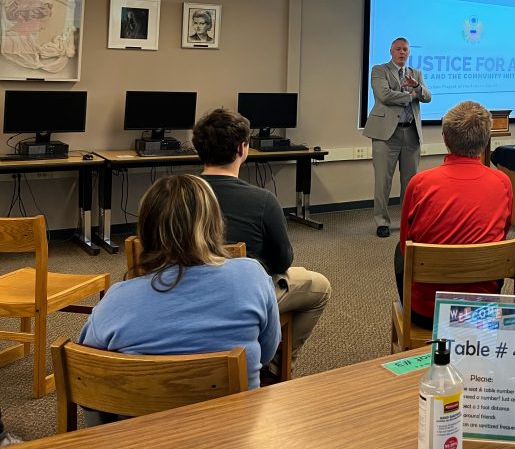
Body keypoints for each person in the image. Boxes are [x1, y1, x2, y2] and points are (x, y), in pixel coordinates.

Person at [79, 175, 279, 392]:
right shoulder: (252, 275)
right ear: (215, 224)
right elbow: (267, 352)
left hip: (144, 424)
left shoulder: (115, 301)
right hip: (240, 421)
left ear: (145, 229)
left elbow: (86, 373)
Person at [193, 108, 331, 376]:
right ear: (243, 149)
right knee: (320, 287)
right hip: (243, 297)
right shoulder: (262, 200)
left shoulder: (174, 197)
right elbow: (282, 261)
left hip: (184, 293)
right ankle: (277, 366)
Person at [395, 100, 513, 327]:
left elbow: (405, 244)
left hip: (428, 314)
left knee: (401, 253)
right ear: (485, 140)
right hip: (483, 310)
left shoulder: (420, 183)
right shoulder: (503, 182)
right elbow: (503, 232)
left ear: (445, 138)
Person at [364, 37, 432, 237]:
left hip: (411, 132)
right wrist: (411, 96)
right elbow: (383, 95)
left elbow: (427, 97)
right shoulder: (379, 70)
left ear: (409, 52)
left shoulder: (416, 74)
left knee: (410, 182)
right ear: (391, 51)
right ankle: (382, 222)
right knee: (383, 181)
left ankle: (408, 222)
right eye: (398, 49)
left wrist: (417, 87)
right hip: (386, 134)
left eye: (405, 49)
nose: (402, 52)